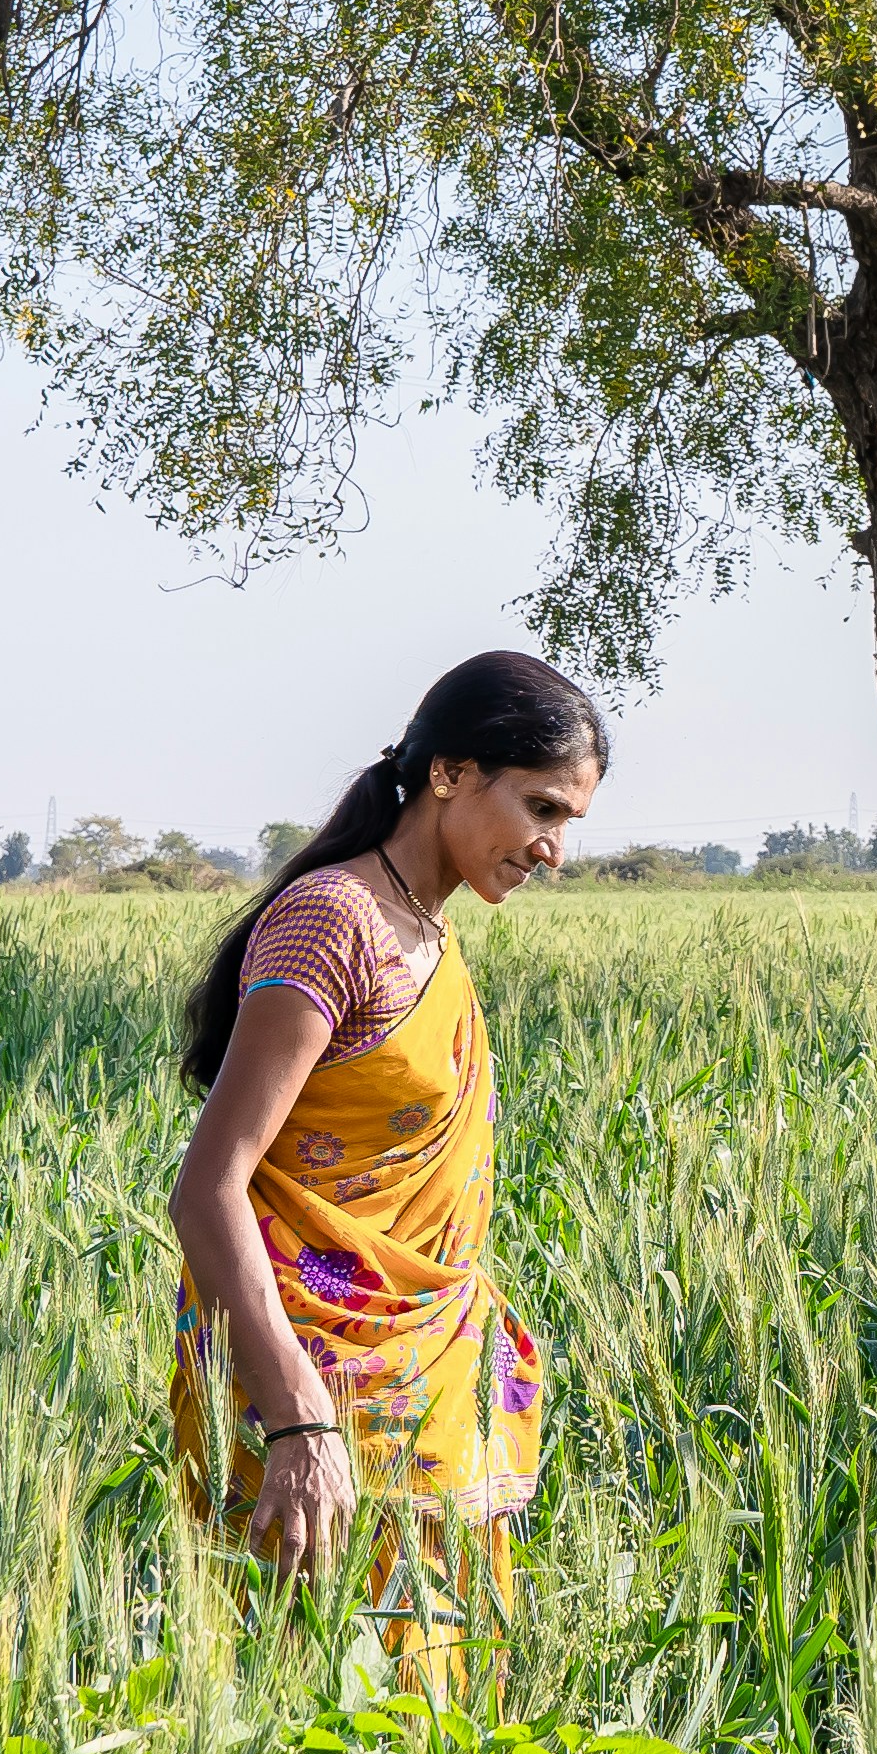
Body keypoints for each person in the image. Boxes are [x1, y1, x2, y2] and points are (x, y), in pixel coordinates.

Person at [166, 649, 604, 1687]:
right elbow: (208, 1188)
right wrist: (298, 1417)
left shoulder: (426, 930)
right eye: (543, 808)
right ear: (450, 772)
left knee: (425, 1711)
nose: (553, 850)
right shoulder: (337, 921)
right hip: (310, 1385)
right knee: (304, 1697)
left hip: (422, 1383)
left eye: (570, 823)